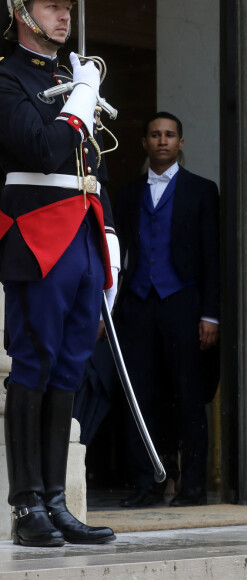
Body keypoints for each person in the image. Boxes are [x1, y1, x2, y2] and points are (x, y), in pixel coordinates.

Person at [0, 0, 119, 546]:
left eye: (67, 7)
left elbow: (91, 164)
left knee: (71, 363)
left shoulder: (71, 75)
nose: (64, 16)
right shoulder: (6, 76)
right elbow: (44, 147)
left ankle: (55, 501)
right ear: (20, 10)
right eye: (51, 5)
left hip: (83, 231)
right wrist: (83, 94)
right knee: (35, 360)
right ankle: (26, 506)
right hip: (35, 232)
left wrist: (110, 239)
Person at [114, 111, 220, 508]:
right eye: (155, 134)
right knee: (140, 396)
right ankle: (147, 483)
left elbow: (212, 255)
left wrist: (211, 314)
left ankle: (192, 486)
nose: (162, 141)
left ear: (180, 143)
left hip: (184, 303)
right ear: (144, 143)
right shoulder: (126, 194)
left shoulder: (202, 190)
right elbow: (116, 255)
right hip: (137, 304)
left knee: (188, 395)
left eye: (169, 135)